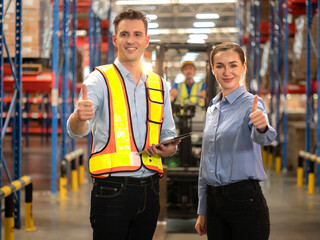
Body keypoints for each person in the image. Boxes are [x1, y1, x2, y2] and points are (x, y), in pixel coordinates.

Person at [67, 9, 179, 240]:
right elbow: (77, 131)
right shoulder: (99, 80)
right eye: (125, 34)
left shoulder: (160, 85)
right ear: (116, 39)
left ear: (146, 40)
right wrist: (79, 117)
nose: (131, 40)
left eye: (137, 34)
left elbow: (168, 132)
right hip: (112, 190)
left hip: (150, 188)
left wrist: (169, 148)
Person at [194, 42, 277, 240]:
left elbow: (264, 138)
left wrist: (262, 126)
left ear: (243, 67)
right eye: (220, 66)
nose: (227, 72)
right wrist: (202, 209)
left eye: (233, 65)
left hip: (244, 201)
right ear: (212, 69)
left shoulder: (252, 104)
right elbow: (206, 163)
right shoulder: (213, 109)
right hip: (214, 203)